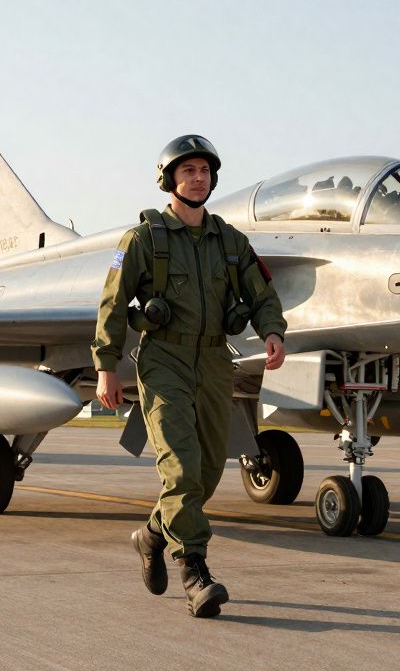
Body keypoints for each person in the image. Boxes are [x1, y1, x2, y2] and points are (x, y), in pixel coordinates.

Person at [93, 135, 287, 618]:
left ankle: (152, 535)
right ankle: (195, 572)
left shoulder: (230, 241)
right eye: (188, 171)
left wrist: (273, 331)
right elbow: (113, 305)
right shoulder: (142, 241)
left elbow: (262, 292)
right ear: (170, 179)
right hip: (164, 362)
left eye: (204, 171)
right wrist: (105, 368)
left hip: (215, 363)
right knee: (179, 468)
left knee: (205, 473)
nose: (198, 178)